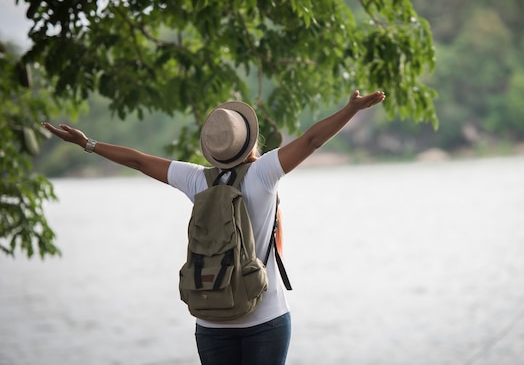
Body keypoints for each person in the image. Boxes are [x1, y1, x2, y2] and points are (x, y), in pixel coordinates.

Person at [42, 90, 385, 365]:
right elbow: (311, 141)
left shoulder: (195, 179)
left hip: (210, 317)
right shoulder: (265, 173)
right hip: (265, 319)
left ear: (213, 150)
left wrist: (86, 143)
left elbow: (138, 160)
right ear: (250, 140)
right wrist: (350, 110)